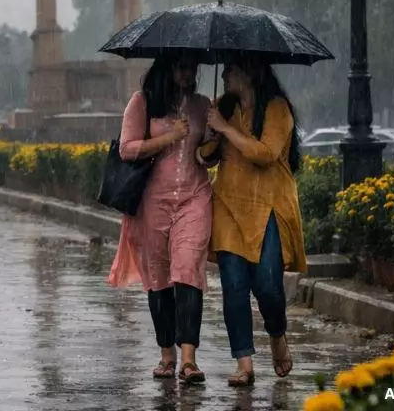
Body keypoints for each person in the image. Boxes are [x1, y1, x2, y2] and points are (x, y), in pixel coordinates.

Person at [200, 55, 307, 386]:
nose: (225, 75)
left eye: (230, 69)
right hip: (229, 208)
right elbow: (204, 156)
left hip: (268, 208)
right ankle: (244, 363)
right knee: (233, 287)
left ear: (250, 71)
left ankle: (277, 334)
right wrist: (211, 130)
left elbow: (264, 154)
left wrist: (226, 128)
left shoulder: (276, 108)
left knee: (268, 287)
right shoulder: (225, 108)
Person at [108, 53, 213, 384]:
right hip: (152, 202)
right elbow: (127, 149)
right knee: (160, 276)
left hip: (194, 198)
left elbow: (208, 156)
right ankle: (167, 354)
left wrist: (213, 140)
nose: (188, 72)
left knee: (188, 270)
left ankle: (189, 359)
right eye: (182, 66)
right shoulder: (142, 103)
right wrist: (170, 137)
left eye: (193, 67)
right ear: (167, 68)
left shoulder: (202, 104)